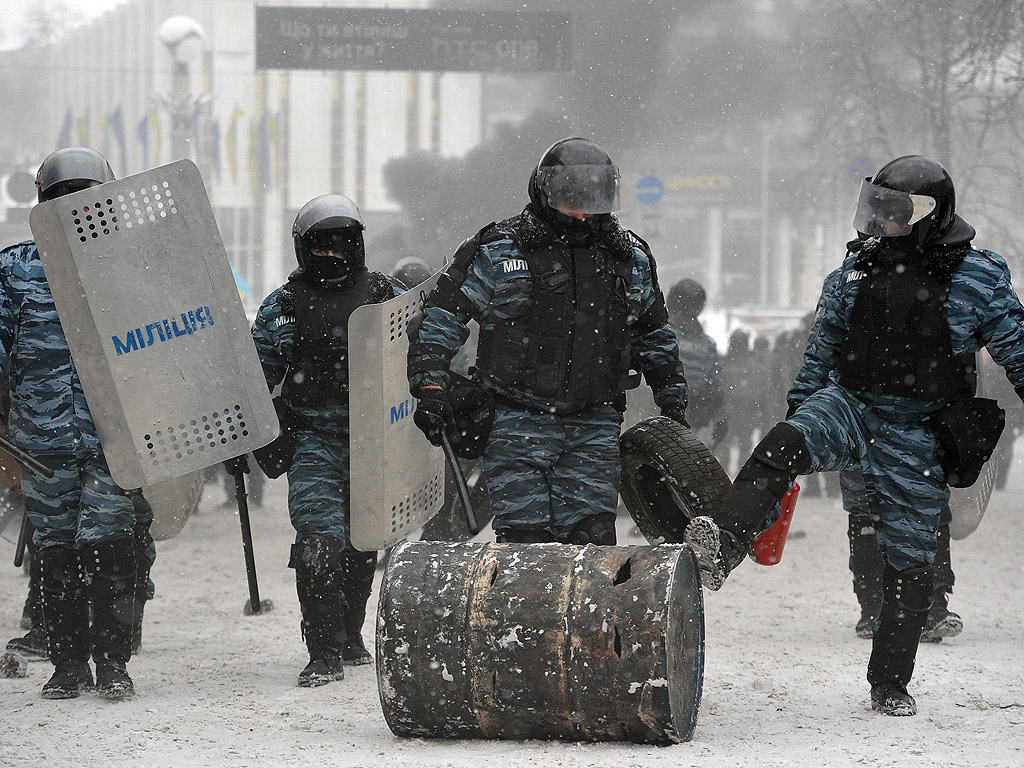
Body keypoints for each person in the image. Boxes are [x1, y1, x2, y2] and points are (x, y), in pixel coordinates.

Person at [683, 155, 1024, 717]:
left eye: (892, 213)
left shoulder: (978, 277)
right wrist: (801, 419)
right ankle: (723, 542)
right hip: (853, 404)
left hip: (919, 429)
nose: (878, 224)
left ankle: (889, 683)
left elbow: (1016, 349)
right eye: (875, 210)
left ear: (927, 215)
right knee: (783, 443)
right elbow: (820, 354)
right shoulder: (853, 274)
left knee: (911, 564)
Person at [406, 137, 687, 545]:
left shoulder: (628, 258)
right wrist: (430, 386)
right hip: (516, 420)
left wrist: (672, 398)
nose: (582, 213)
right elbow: (443, 318)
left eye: (593, 200)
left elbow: (653, 332)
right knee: (526, 545)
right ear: (544, 192)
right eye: (571, 199)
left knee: (591, 543)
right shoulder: (500, 250)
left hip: (594, 421)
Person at [0, 147, 141, 699]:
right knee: (56, 554)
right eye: (62, 198)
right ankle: (68, 665)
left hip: (116, 438)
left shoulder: (134, 264)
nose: (73, 208)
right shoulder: (13, 271)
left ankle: (113, 663)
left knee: (109, 547)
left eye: (85, 197)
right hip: (42, 441)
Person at [247, 194, 403, 687]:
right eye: (321, 247)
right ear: (303, 249)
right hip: (314, 440)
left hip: (376, 441)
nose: (331, 255)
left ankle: (349, 634)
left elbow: (419, 350)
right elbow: (255, 378)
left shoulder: (384, 295)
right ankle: (322, 651)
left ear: (356, 245)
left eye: (341, 245)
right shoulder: (285, 306)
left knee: (362, 541)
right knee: (318, 542)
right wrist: (246, 428)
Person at [666, 279, 727, 450]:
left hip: (660, 415)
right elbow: (716, 385)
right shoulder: (707, 345)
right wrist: (722, 418)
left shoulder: (662, 336)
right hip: (695, 419)